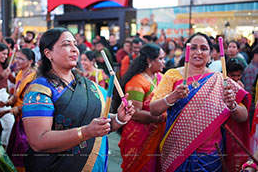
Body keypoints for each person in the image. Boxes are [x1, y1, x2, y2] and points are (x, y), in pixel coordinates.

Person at [21, 27, 135, 172]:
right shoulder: (40, 91)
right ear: (48, 53)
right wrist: (86, 132)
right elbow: (38, 141)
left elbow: (100, 123)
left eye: (75, 44)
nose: (75, 49)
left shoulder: (89, 86)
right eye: (66, 44)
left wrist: (119, 119)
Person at [150, 32, 251, 172]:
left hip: (210, 154)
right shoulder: (173, 75)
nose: (198, 52)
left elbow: (243, 116)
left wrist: (232, 105)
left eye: (203, 48)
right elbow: (153, 109)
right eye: (193, 48)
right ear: (186, 51)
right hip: (177, 150)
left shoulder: (220, 79)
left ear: (210, 54)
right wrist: (173, 97)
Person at [118, 43, 166, 172]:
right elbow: (135, 113)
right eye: (161, 59)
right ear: (150, 60)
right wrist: (160, 117)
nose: (164, 62)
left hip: (158, 135)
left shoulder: (161, 78)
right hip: (139, 136)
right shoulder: (137, 81)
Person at [0, 48, 36, 172]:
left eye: (21, 59)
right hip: (19, 117)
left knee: (22, 148)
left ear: (30, 61)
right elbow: (17, 95)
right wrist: (6, 103)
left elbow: (30, 103)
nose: (17, 61)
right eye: (16, 57)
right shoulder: (21, 73)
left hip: (28, 119)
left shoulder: (34, 77)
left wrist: (7, 111)